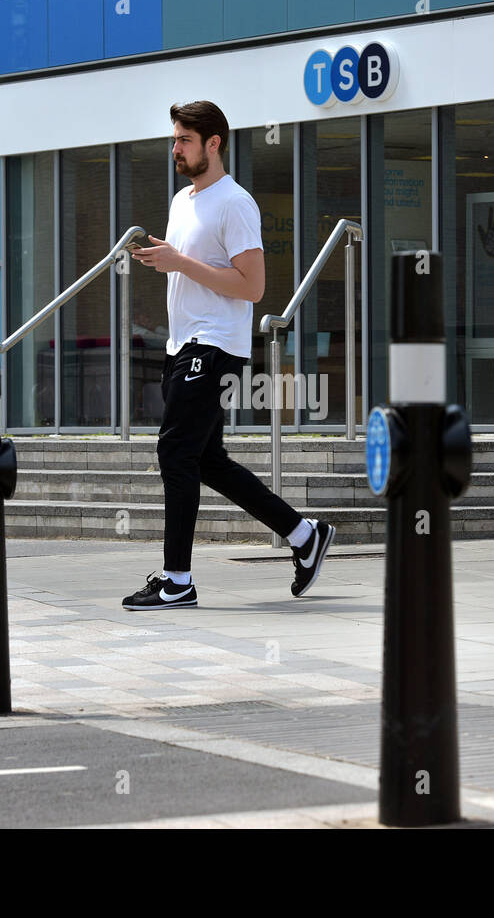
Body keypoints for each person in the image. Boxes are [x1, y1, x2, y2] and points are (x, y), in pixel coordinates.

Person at [122, 100, 334, 610]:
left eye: (184, 140)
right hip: (183, 345)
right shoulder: (181, 201)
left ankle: (177, 581)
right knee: (207, 460)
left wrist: (180, 262)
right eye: (173, 140)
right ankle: (304, 535)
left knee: (175, 451)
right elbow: (192, 268)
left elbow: (254, 287)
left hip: (215, 346)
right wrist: (166, 260)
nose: (175, 149)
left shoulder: (236, 203)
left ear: (213, 143)